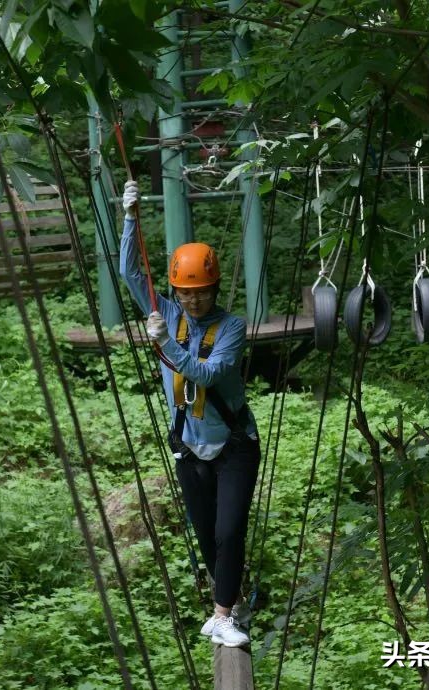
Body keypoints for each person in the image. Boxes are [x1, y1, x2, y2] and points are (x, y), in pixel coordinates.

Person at [119, 179, 260, 648]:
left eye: (200, 293)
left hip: (235, 444)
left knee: (228, 528)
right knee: (207, 536)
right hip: (189, 444)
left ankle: (221, 616)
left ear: (214, 289)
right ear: (176, 291)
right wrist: (129, 219)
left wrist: (163, 342)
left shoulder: (231, 328)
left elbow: (204, 373)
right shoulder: (169, 313)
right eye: (184, 292)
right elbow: (129, 272)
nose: (192, 300)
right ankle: (229, 599)